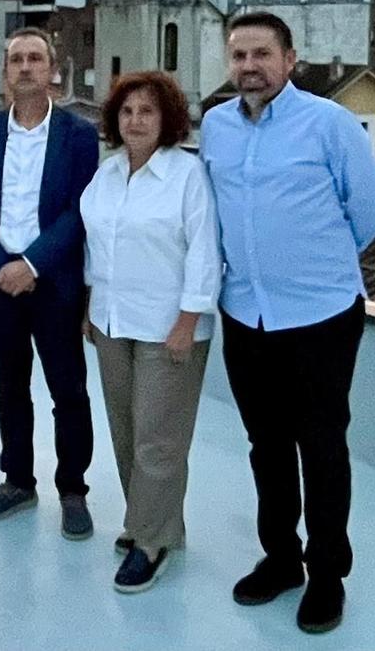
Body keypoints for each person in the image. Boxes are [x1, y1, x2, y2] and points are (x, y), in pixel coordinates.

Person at [201, 11, 375, 636]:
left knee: (323, 446)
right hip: (245, 313)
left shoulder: (329, 124)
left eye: (261, 53)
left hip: (320, 316)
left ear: (289, 59)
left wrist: (314, 267)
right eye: (238, 55)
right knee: (266, 446)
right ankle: (282, 559)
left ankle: (328, 574)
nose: (249, 66)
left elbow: (369, 209)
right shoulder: (217, 125)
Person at [81, 70, 221, 594]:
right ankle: (154, 521)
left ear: (168, 121)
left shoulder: (188, 176)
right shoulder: (108, 174)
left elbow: (206, 251)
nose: (136, 120)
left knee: (159, 439)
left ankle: (150, 542)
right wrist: (91, 307)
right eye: (127, 112)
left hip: (169, 327)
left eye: (147, 112)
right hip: (113, 321)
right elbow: (97, 247)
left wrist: (189, 320)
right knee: (126, 430)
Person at [0, 28, 101, 537]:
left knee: (69, 390)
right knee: (9, 386)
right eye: (16, 59)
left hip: (55, 282)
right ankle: (18, 481)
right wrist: (0, 266)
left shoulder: (79, 136)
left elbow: (78, 210)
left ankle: (72, 489)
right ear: (5, 73)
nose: (25, 67)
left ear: (52, 71)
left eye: (35, 58)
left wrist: (33, 264)